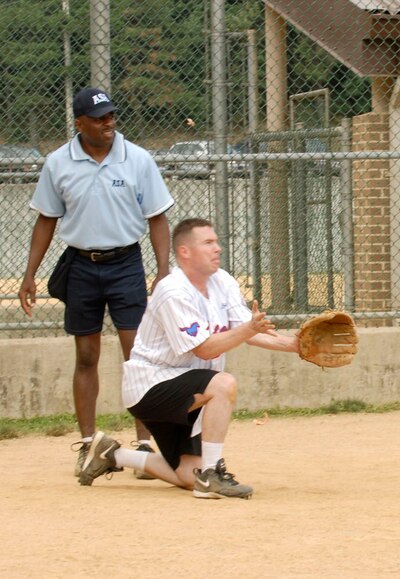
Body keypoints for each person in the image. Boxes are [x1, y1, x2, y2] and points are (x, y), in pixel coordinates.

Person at [78, 218, 302, 499]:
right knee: (223, 384)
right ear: (185, 251)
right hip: (151, 386)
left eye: (216, 242)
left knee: (186, 476)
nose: (217, 248)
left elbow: (248, 330)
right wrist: (246, 329)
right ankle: (211, 474)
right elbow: (205, 349)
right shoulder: (173, 290)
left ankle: (114, 455)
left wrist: (296, 346)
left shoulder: (223, 281)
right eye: (208, 243)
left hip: (189, 387)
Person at [18, 87, 174, 478]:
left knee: (137, 357)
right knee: (86, 355)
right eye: (99, 118)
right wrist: (29, 273)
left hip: (126, 263)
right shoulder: (58, 162)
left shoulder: (136, 158)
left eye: (111, 116)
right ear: (79, 123)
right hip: (82, 266)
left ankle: (143, 446)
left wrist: (163, 270)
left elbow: (157, 217)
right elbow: (46, 220)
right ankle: (89, 446)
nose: (109, 123)